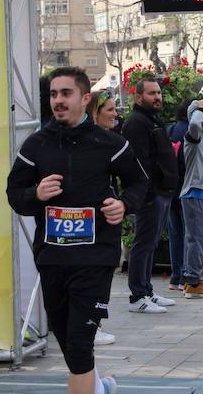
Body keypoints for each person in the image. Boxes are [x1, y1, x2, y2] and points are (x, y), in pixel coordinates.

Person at [7, 67, 148, 394]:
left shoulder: (109, 143)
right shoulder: (36, 146)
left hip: (95, 256)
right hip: (53, 257)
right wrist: (35, 195)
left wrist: (124, 205)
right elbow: (15, 194)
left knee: (81, 343)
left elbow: (140, 182)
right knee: (69, 343)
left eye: (65, 93)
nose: (58, 100)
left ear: (85, 99)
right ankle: (100, 387)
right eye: (54, 94)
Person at [122, 78, 180, 314]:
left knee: (151, 243)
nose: (157, 97)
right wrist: (144, 194)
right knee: (143, 243)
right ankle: (138, 295)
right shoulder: (136, 123)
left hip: (162, 191)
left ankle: (146, 290)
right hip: (151, 194)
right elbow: (139, 162)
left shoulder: (151, 120)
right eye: (152, 93)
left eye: (158, 93)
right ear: (138, 97)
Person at [83, 89, 122, 347]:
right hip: (89, 222)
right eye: (109, 109)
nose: (116, 114)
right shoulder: (89, 144)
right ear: (95, 114)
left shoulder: (112, 141)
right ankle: (90, 326)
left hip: (106, 218)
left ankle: (94, 323)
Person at [180, 99, 203, 298]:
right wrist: (197, 107)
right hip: (195, 191)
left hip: (199, 192)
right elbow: (194, 123)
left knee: (194, 237)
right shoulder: (194, 137)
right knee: (196, 238)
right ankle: (193, 282)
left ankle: (191, 278)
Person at [165, 100, 191, 293]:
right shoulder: (193, 130)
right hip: (189, 186)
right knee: (190, 232)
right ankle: (186, 275)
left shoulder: (171, 130)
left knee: (175, 232)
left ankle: (175, 276)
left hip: (170, 188)